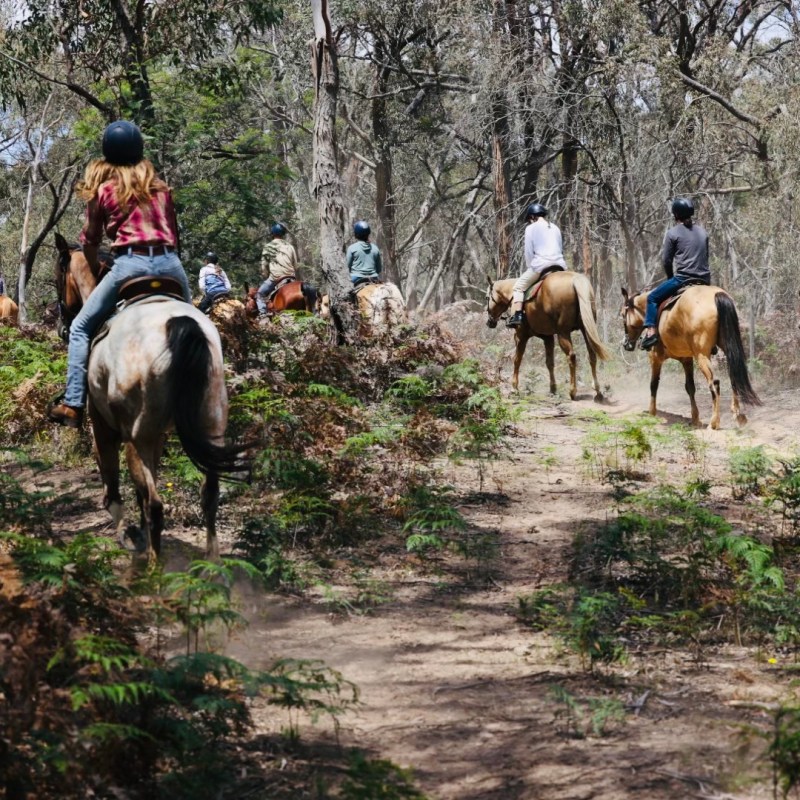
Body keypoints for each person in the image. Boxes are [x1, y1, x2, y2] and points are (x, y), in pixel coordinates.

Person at [47, 120, 191, 428]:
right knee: (194, 325)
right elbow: (174, 237)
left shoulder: (105, 191)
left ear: (108, 153)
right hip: (170, 265)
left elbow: (90, 241)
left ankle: (73, 404)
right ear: (139, 150)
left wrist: (98, 267)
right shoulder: (162, 188)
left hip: (129, 265)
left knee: (81, 328)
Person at [640, 197, 710, 350]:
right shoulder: (703, 232)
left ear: (675, 214)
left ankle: (650, 332)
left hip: (683, 279)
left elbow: (666, 261)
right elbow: (706, 256)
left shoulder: (672, 233)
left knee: (652, 297)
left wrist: (670, 278)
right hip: (705, 280)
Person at [506, 203, 567, 328]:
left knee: (518, 287)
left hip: (541, 265)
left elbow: (529, 251)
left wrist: (530, 265)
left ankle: (518, 315)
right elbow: (560, 248)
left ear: (532, 216)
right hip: (560, 265)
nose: (530, 221)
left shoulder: (531, 228)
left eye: (529, 219)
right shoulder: (555, 227)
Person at [257, 222, 298, 314]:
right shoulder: (290, 246)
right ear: (283, 234)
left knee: (260, 294)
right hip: (291, 276)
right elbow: (295, 265)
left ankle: (263, 315)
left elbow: (264, 266)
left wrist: (265, 274)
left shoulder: (268, 246)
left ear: (272, 233)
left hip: (276, 278)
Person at [347, 220, 383, 286]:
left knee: (344, 294)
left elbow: (348, 267)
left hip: (356, 278)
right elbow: (379, 269)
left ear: (356, 234)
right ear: (368, 234)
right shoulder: (375, 248)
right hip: (373, 278)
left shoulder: (351, 248)